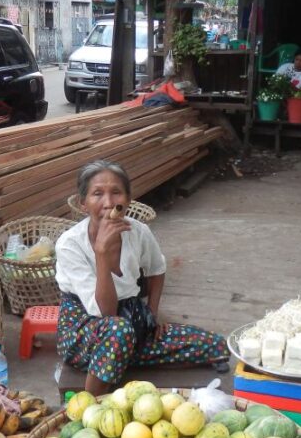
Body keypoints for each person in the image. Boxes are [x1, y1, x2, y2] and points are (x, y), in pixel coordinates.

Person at [55, 160, 230, 395]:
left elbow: (157, 269)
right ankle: (89, 405)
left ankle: (125, 355)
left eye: (116, 192)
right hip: (85, 331)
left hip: (134, 321)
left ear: (127, 199)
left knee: (215, 345)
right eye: (97, 194)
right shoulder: (70, 244)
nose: (109, 203)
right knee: (118, 331)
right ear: (83, 203)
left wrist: (152, 314)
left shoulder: (138, 232)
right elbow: (105, 312)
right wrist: (101, 252)